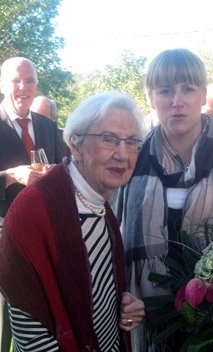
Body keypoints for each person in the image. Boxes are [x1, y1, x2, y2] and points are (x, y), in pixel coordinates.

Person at [113, 48, 213, 351]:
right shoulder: (128, 160)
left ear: (203, 94)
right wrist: (122, 297)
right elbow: (112, 240)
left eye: (188, 88)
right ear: (150, 97)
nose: (177, 101)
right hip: (148, 321)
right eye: (165, 90)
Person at [0, 91, 146, 351]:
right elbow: (29, 330)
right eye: (109, 139)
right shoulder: (32, 211)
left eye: (132, 141)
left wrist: (121, 307)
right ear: (75, 144)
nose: (123, 154)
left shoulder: (101, 203)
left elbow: (91, 292)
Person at [0, 57, 62, 352]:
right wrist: (11, 176)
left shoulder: (47, 126)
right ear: (2, 84)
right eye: (15, 80)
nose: (23, 87)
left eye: (30, 80)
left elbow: (64, 168)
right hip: (4, 233)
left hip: (43, 233)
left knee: (40, 308)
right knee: (8, 312)